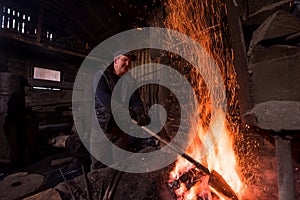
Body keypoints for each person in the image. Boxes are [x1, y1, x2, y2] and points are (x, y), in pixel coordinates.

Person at [90, 49, 150, 170]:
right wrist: (122, 112)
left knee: (120, 165)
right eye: (124, 59)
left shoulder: (130, 81)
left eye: (129, 61)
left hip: (120, 131)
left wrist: (140, 113)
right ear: (116, 60)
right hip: (102, 130)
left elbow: (136, 100)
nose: (127, 64)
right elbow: (104, 98)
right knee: (98, 166)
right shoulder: (101, 76)